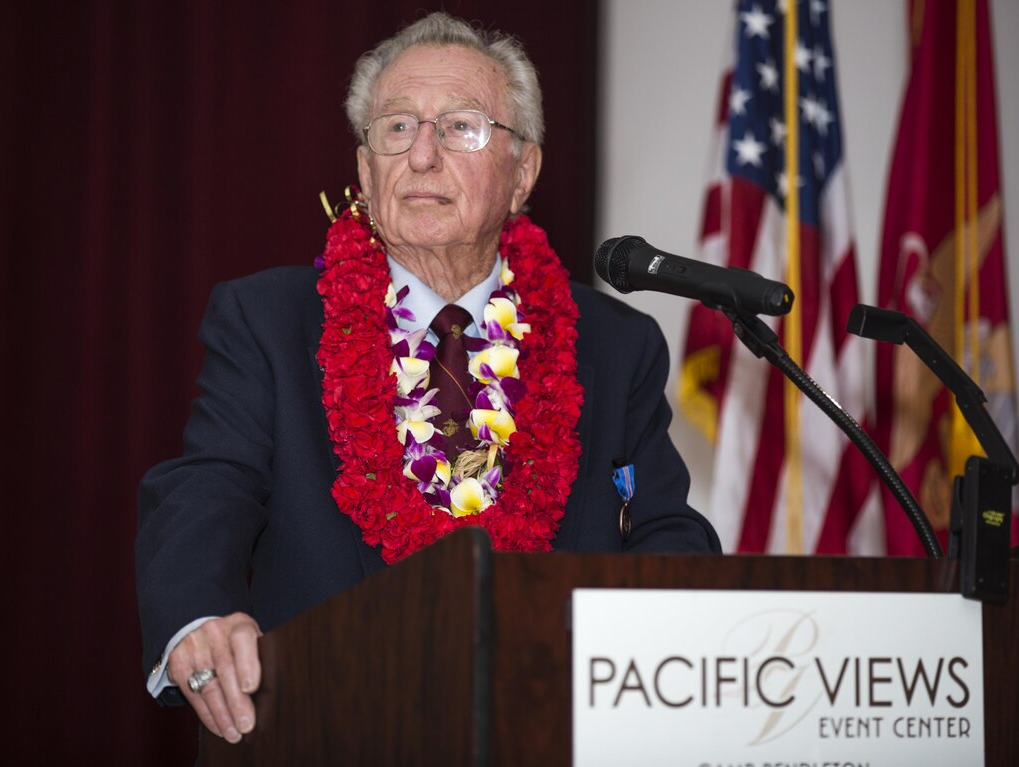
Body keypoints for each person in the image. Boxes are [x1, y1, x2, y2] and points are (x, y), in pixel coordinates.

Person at [135, 11, 720, 745]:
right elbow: (208, 486)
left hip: (554, 731)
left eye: (461, 127)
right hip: (325, 731)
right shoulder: (270, 321)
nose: (422, 155)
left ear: (523, 173)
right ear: (363, 170)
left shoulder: (615, 343)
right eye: (398, 128)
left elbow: (663, 524)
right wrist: (198, 616)